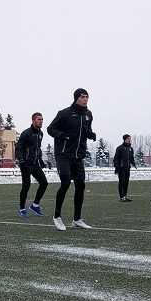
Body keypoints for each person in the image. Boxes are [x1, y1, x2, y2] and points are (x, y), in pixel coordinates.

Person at [46, 88, 96, 231]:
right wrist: (61, 135)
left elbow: (85, 130)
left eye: (87, 97)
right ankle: (57, 216)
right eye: (82, 97)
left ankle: (77, 219)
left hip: (78, 156)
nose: (85, 99)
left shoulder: (88, 114)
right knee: (66, 183)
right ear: (76, 98)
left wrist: (91, 134)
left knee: (80, 186)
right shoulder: (64, 113)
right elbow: (50, 129)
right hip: (63, 155)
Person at [14, 112, 48, 218]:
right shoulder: (26, 133)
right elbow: (18, 147)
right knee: (26, 186)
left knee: (44, 183)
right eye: (39, 119)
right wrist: (21, 161)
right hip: (26, 164)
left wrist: (41, 160)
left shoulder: (40, 134)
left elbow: (38, 148)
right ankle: (22, 209)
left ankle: (35, 205)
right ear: (33, 121)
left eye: (42, 119)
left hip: (35, 164)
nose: (41, 121)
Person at [113, 134, 136, 202]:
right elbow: (116, 158)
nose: (129, 140)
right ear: (125, 139)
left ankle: (125, 196)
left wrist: (133, 163)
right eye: (128, 138)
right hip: (121, 168)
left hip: (127, 168)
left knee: (126, 182)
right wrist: (116, 167)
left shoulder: (130, 149)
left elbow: (131, 158)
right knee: (121, 182)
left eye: (130, 138)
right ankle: (121, 197)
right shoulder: (120, 148)